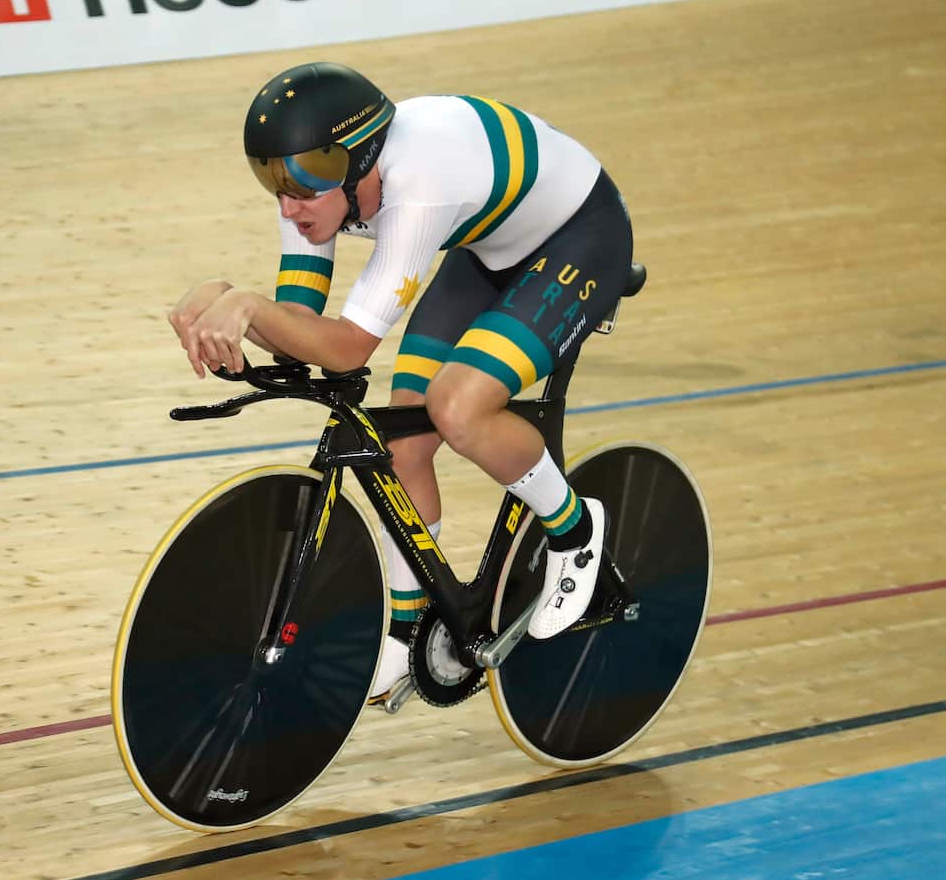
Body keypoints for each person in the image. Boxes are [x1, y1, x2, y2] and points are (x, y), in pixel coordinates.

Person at [169, 61, 633, 700]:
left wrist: (247, 306)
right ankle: (410, 632)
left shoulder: (420, 186)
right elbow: (299, 324)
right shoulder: (314, 190)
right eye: (273, 180)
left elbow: (345, 350)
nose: (288, 203)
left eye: (301, 183)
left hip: (580, 239)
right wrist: (223, 299)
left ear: (358, 162)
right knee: (403, 445)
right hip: (487, 251)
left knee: (458, 407)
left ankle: (575, 531)